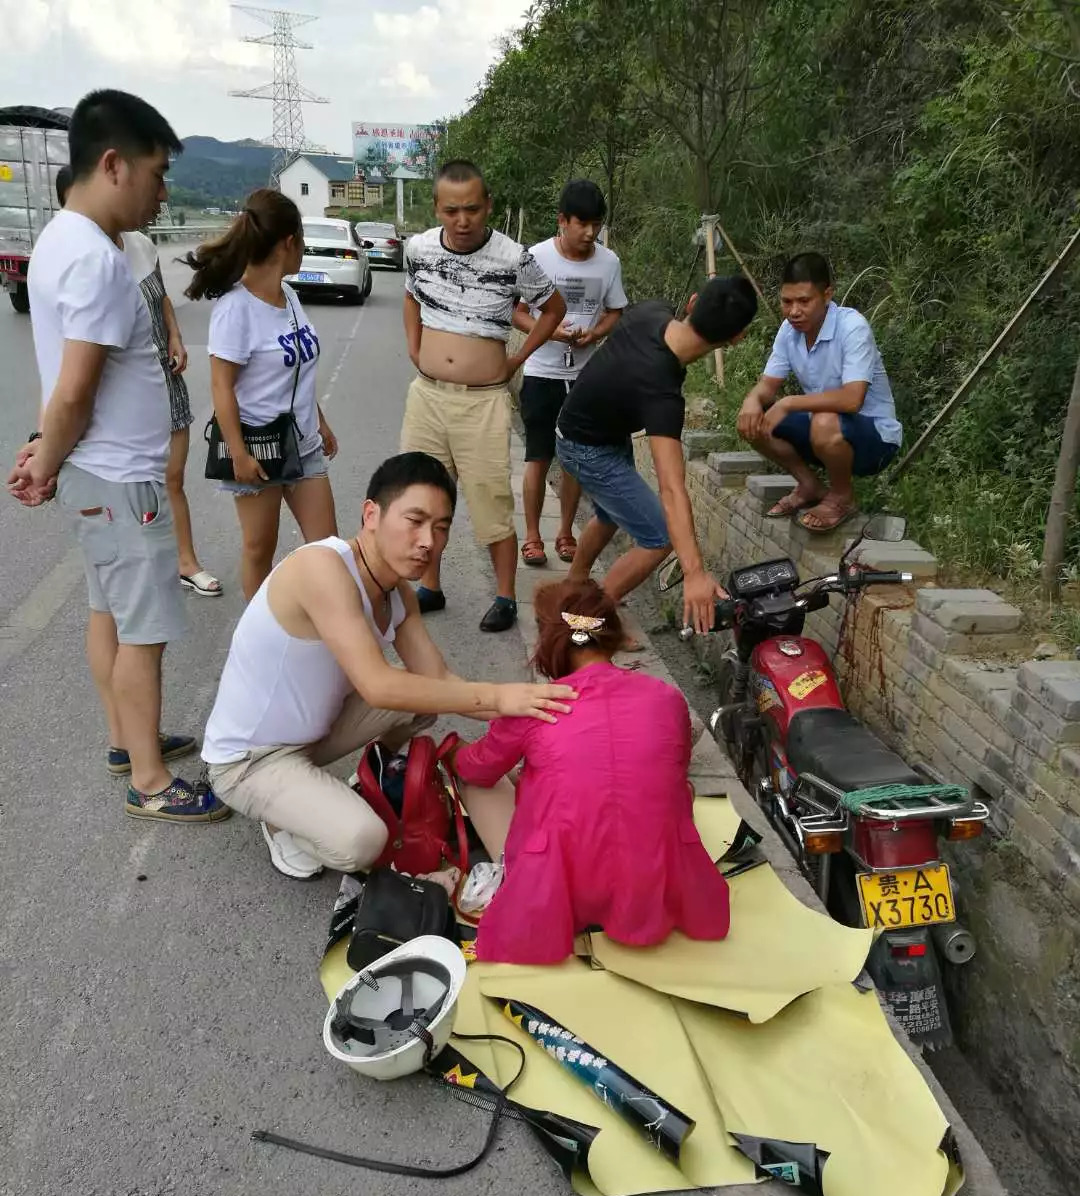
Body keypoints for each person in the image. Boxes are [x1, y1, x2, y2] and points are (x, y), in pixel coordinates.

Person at [8, 89, 227, 823]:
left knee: (109, 613)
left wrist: (46, 451)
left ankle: (123, 740)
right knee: (145, 632)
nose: (163, 191)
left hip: (96, 473)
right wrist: (45, 457)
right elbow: (74, 390)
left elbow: (66, 392)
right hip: (123, 477)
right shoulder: (98, 261)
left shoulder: (60, 243)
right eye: (157, 173)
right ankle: (152, 781)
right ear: (112, 164)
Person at [201, 453, 577, 880]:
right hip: (250, 760)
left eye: (441, 528)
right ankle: (282, 818)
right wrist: (498, 696)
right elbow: (378, 686)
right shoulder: (320, 568)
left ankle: (360, 785)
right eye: (414, 521)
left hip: (313, 736)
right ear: (371, 514)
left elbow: (439, 681)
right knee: (364, 840)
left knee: (423, 699)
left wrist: (540, 709)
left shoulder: (397, 593)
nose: (428, 542)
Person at [450, 578, 731, 965]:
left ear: (548, 640)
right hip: (650, 883)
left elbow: (476, 769)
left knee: (478, 778)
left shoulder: (537, 705)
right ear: (613, 634)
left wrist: (460, 752)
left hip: (559, 884)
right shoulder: (666, 698)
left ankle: (514, 869)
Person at [400, 159, 567, 632]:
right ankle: (429, 586)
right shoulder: (418, 249)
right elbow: (411, 296)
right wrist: (414, 347)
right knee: (421, 494)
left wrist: (518, 358)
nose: (463, 220)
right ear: (436, 207)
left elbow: (554, 308)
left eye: (472, 209)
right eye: (451, 210)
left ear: (487, 204)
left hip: (483, 401)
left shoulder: (514, 257)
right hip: (428, 396)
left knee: (491, 501)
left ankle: (505, 596)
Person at [55, 164, 221, 598]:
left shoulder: (140, 245)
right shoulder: (81, 257)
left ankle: (185, 561)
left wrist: (176, 335)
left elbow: (161, 295)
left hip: (164, 376)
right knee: (132, 488)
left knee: (172, 478)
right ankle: (141, 564)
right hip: (119, 399)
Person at [556, 277, 758, 633]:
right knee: (659, 537)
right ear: (737, 338)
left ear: (692, 302)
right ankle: (584, 623)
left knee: (609, 513)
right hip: (585, 446)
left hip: (588, 425)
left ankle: (572, 588)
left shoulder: (653, 310)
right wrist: (694, 572)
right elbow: (671, 489)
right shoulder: (661, 391)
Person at [183, 189, 339, 600]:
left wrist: (319, 420)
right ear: (289, 243)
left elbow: (298, 366)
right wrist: (238, 453)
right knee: (259, 549)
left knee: (328, 549)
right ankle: (258, 641)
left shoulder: (289, 296)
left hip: (302, 444)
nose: (304, 250)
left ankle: (326, 633)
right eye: (303, 241)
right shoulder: (236, 309)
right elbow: (221, 386)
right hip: (257, 448)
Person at [736, 252, 902, 533]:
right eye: (786, 302)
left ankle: (842, 498)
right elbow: (766, 386)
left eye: (804, 301)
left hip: (875, 439)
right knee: (754, 421)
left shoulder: (852, 327)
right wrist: (751, 401)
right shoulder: (789, 332)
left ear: (827, 295)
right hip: (823, 433)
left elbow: (852, 399)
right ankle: (810, 485)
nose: (793, 311)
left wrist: (788, 403)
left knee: (824, 420)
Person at [513, 179, 628, 569]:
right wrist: (550, 331)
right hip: (543, 371)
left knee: (574, 460)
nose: (590, 233)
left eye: (596, 224)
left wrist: (594, 333)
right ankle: (531, 536)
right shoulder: (536, 257)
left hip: (585, 378)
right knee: (538, 456)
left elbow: (615, 311)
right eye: (582, 224)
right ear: (562, 220)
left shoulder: (609, 263)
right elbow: (516, 311)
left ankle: (565, 532)